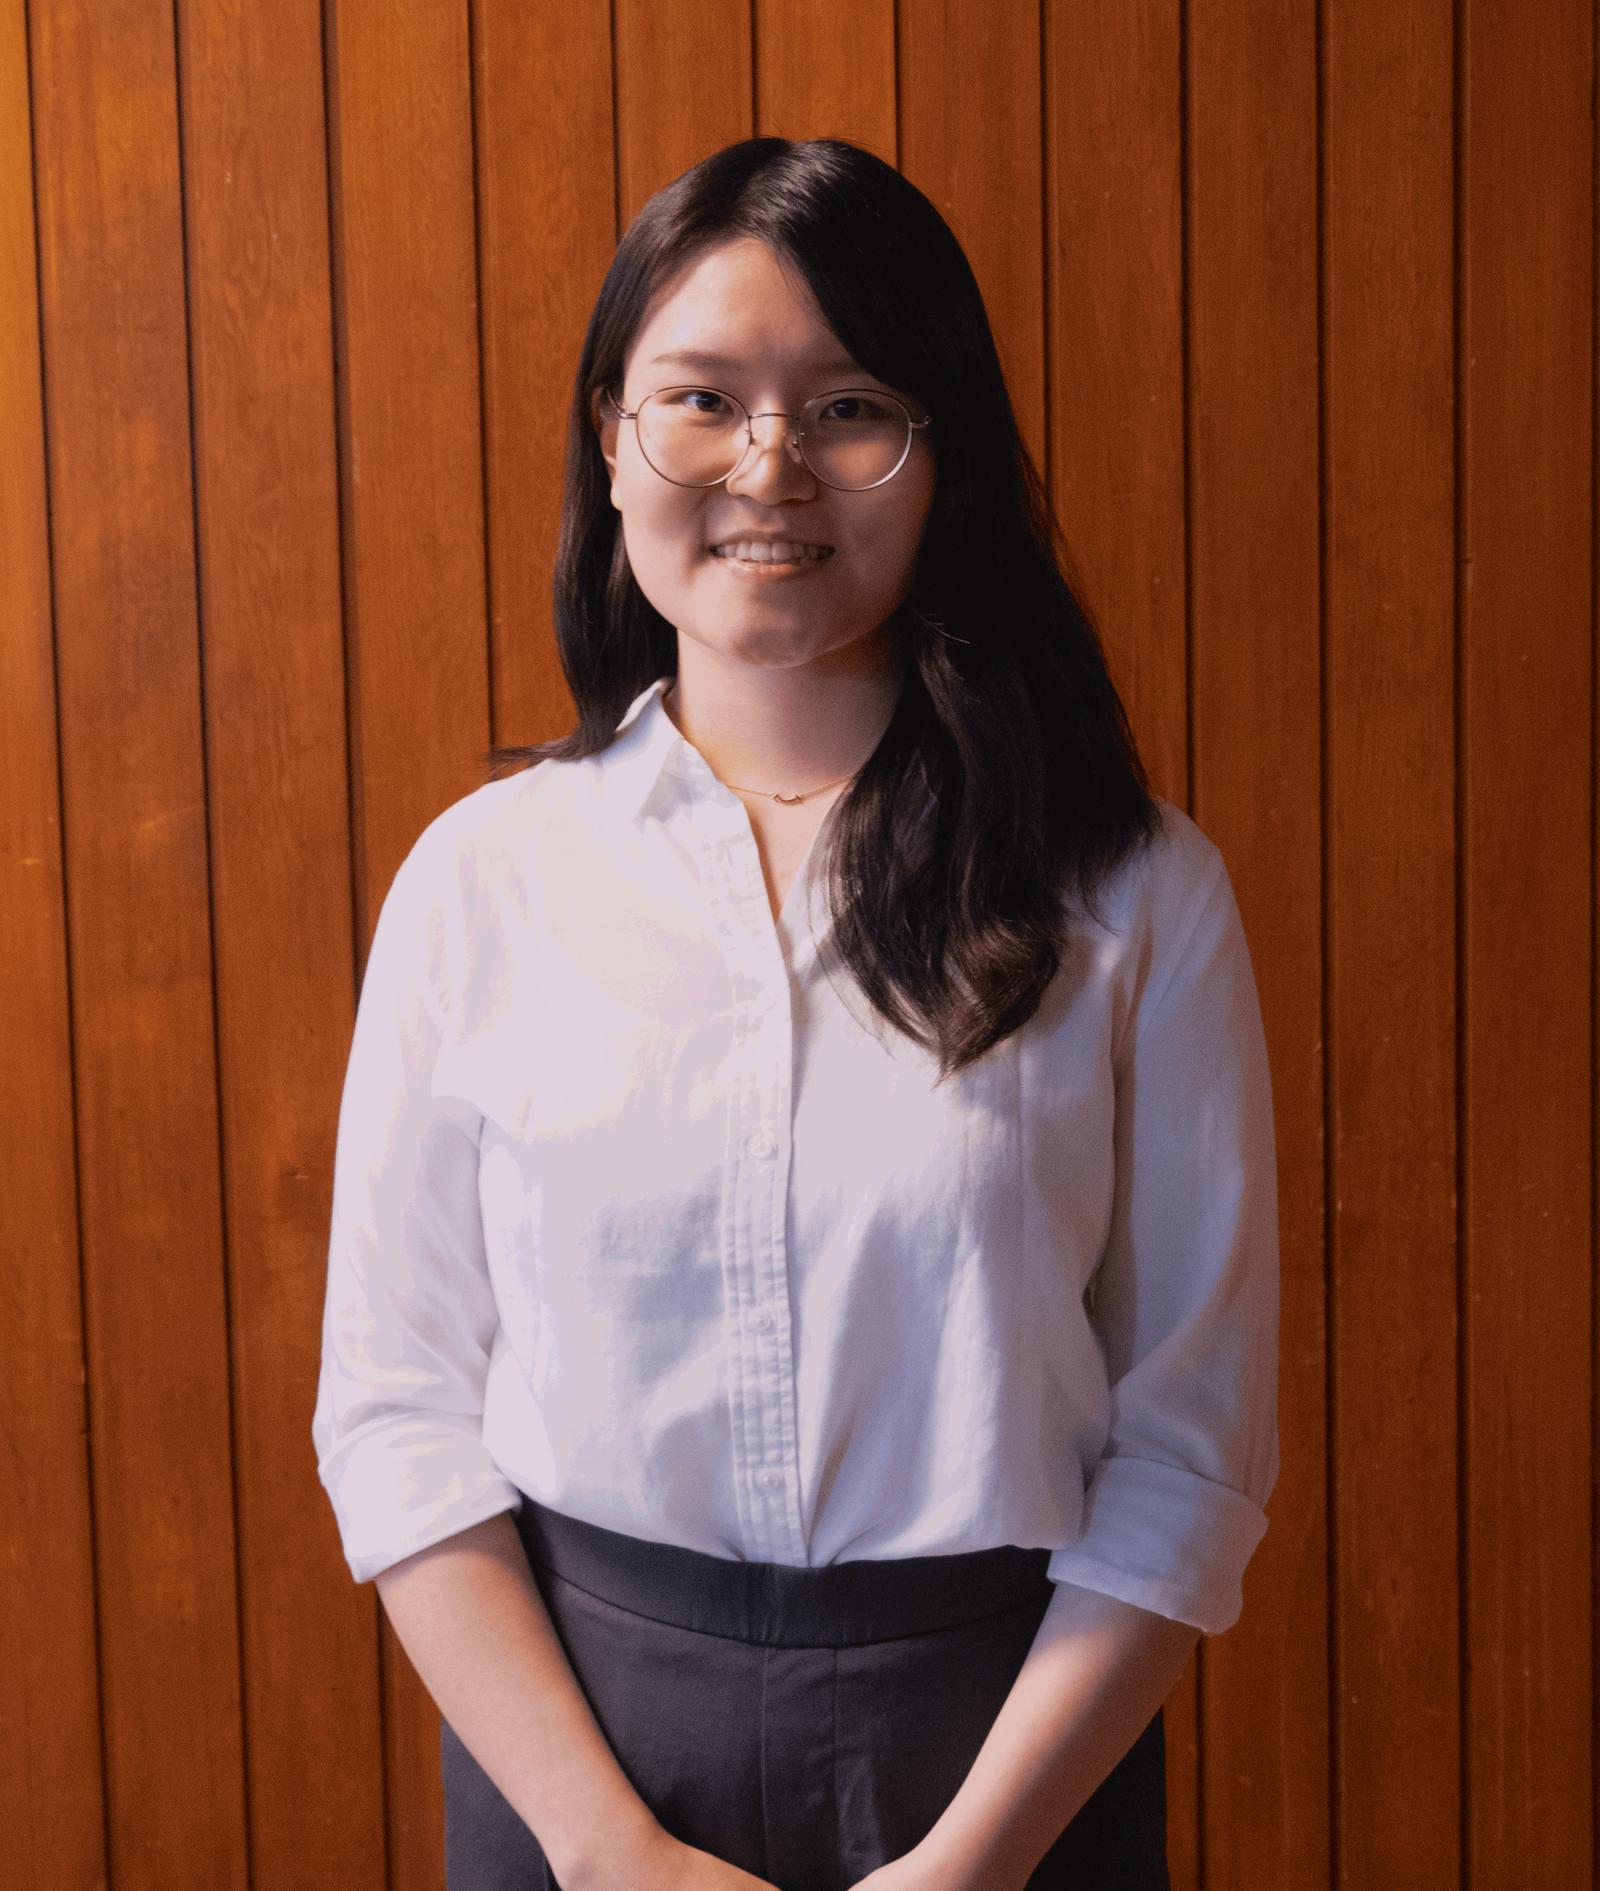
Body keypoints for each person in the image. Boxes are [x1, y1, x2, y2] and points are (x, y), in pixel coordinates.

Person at [311, 135, 1280, 1891]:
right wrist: (605, 1849)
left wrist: (972, 1861)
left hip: (1009, 1766)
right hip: (576, 1768)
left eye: (850, 407)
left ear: (941, 461)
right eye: (704, 398)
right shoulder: (483, 881)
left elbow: (1192, 1451)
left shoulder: (1133, 892)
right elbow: (396, 1412)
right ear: (615, 439)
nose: (771, 466)